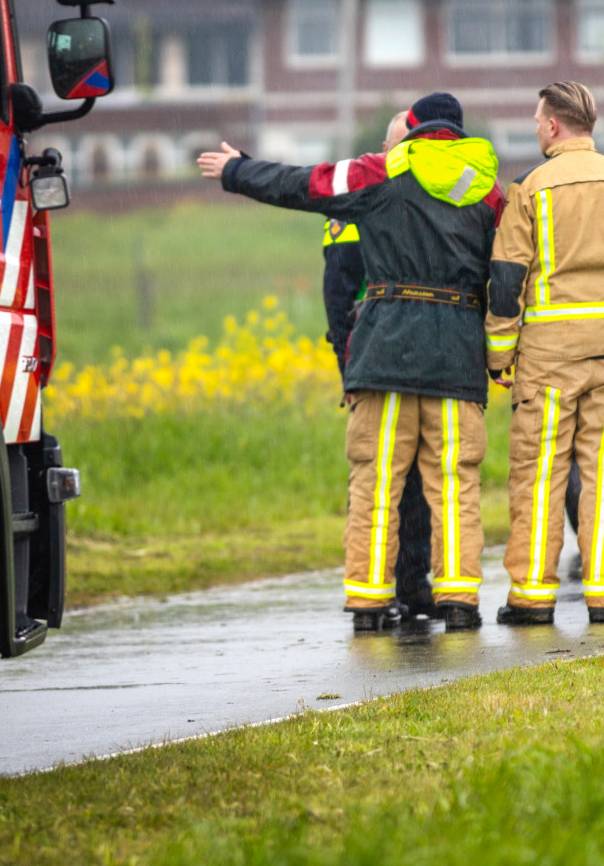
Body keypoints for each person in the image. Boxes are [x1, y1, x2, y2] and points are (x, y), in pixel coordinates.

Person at [198, 94, 503, 630]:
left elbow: (303, 184)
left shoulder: (380, 171)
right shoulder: (488, 190)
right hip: (456, 353)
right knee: (455, 485)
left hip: (384, 349)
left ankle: (367, 600)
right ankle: (457, 599)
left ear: (409, 130)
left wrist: (238, 170)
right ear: (459, 132)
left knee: (376, 481)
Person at [487, 82, 604, 625]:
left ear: (551, 126)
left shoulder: (530, 188)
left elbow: (507, 279)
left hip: (548, 359)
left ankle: (533, 598)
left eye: (539, 120)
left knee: (540, 474)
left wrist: (499, 355)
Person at [321, 110, 440, 618]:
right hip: (373, 355)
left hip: (421, 356)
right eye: (399, 146)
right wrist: (349, 370)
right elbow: (337, 292)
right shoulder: (359, 201)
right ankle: (381, 587)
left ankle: (414, 582)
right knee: (378, 482)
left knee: (419, 485)